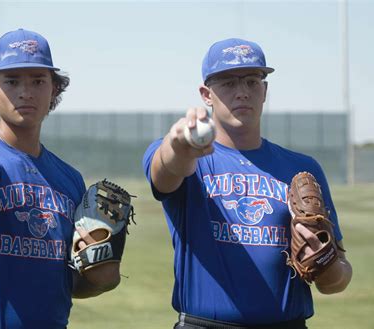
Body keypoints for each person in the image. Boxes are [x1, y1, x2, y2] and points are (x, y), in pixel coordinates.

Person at [142, 38, 352, 329]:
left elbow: (336, 281)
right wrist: (179, 146)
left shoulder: (302, 168)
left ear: (264, 91)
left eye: (252, 82)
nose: (242, 92)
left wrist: (326, 262)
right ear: (206, 94)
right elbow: (164, 172)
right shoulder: (192, 160)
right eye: (228, 83)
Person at [0, 28, 120, 329]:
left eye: (38, 80)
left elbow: (67, 281)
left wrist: (99, 279)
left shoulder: (70, 180)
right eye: (11, 81)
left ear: (54, 90)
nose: (26, 92)